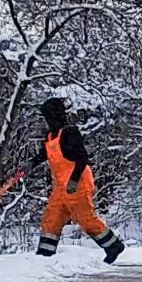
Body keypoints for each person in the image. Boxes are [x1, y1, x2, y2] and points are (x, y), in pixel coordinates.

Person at [33, 96, 124, 263]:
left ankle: (113, 246)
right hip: (60, 186)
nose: (47, 121)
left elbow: (82, 158)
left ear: (57, 115)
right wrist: (29, 165)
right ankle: (44, 258)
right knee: (51, 219)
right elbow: (44, 154)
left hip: (78, 181)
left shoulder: (69, 132)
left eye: (49, 116)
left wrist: (74, 181)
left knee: (86, 219)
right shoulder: (49, 137)